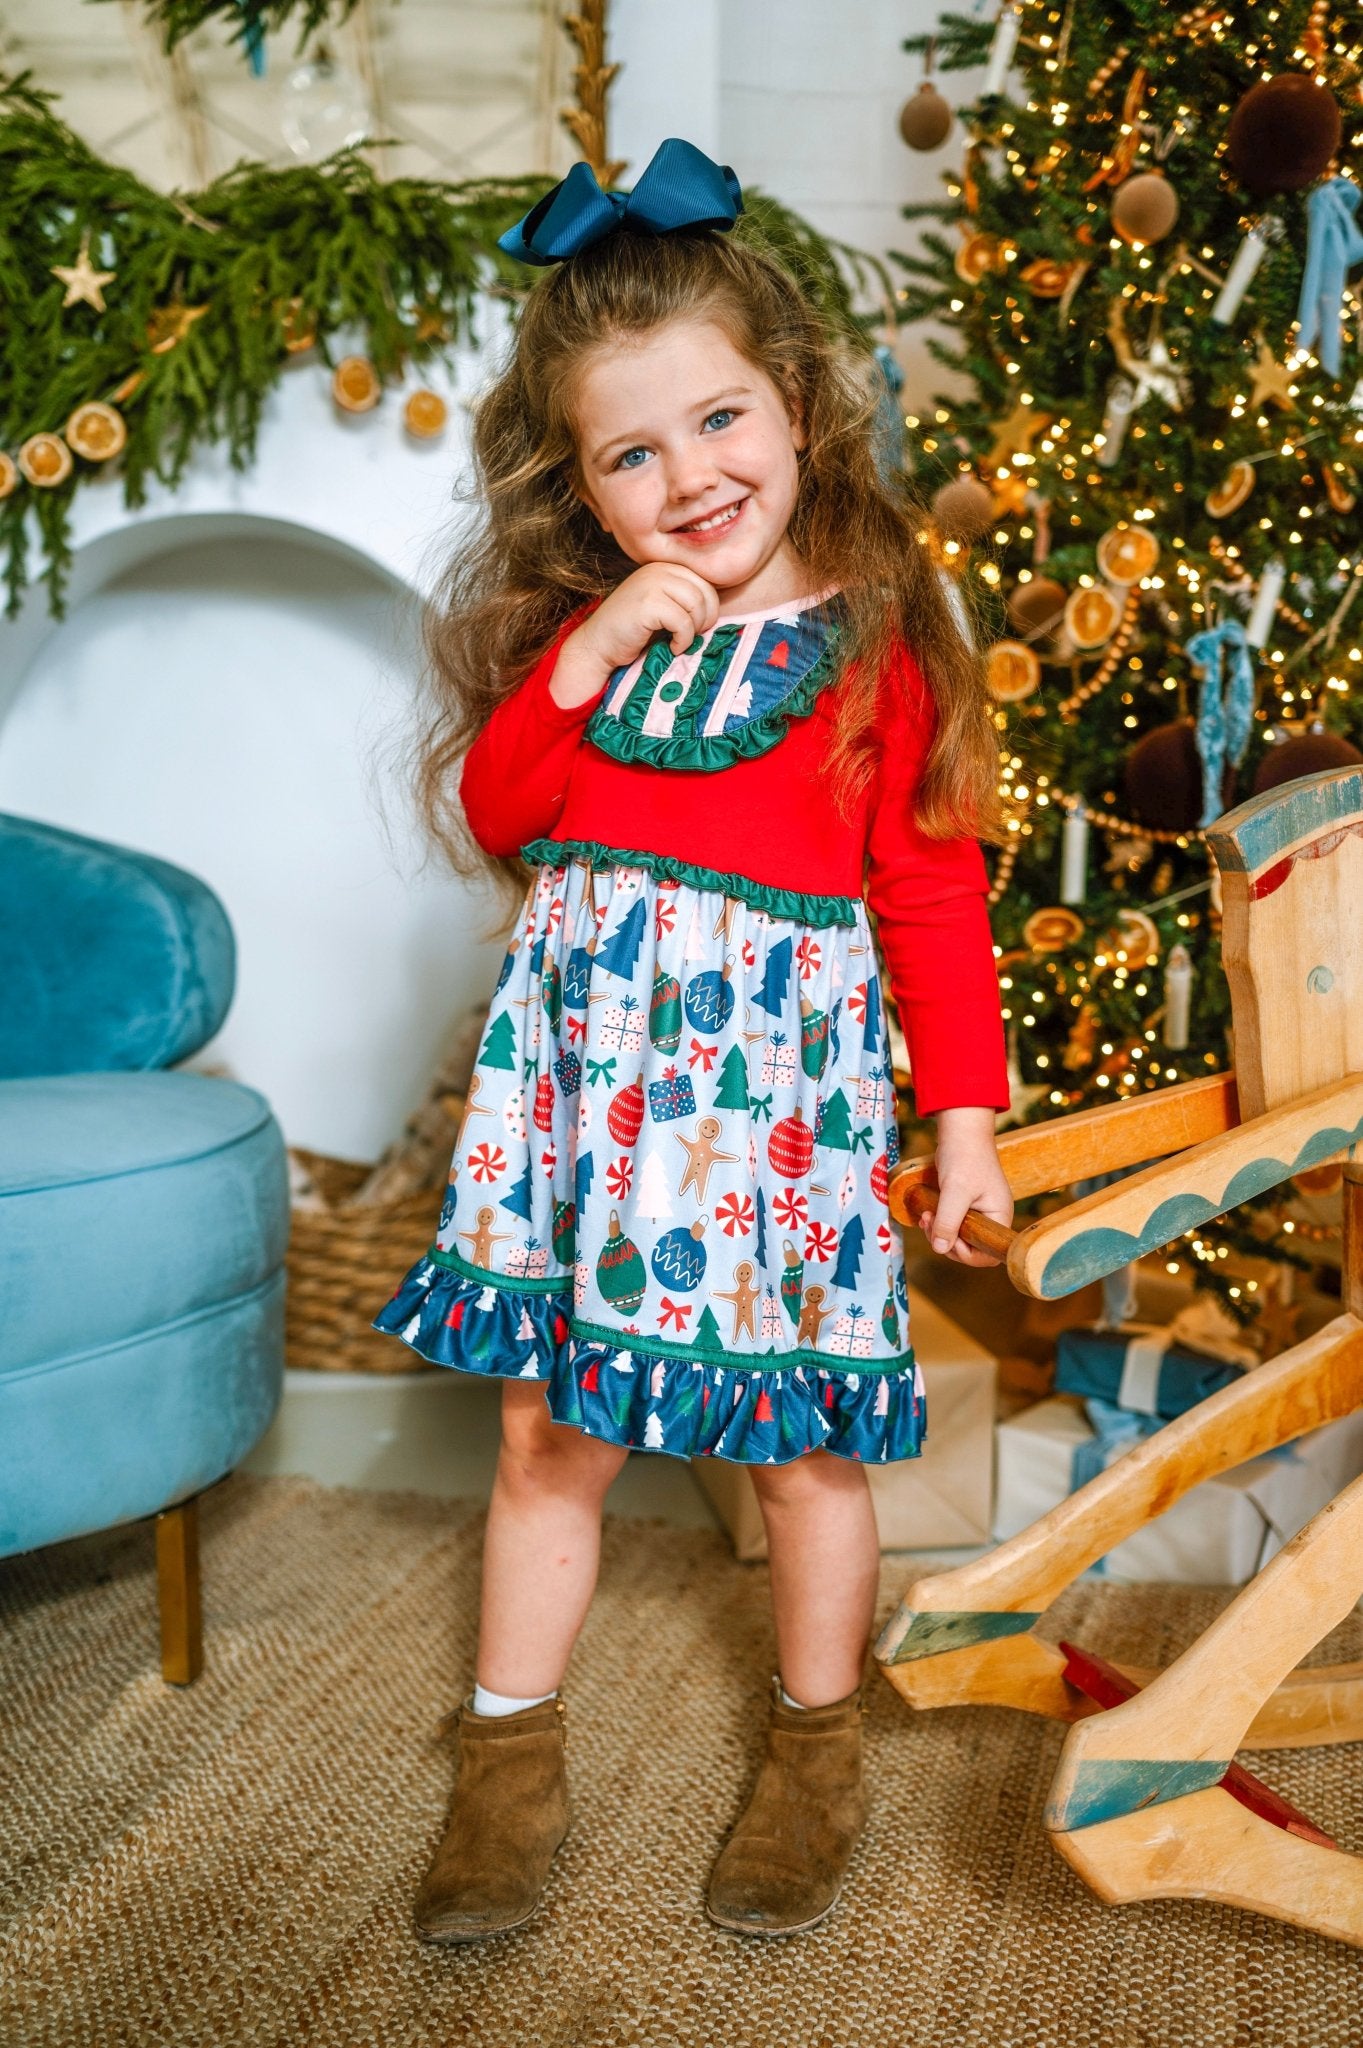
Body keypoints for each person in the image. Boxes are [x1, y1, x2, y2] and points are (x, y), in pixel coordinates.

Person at [373, 139, 1014, 1945]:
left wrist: (962, 1120)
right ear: (582, 484)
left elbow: (935, 892)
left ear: (798, 405)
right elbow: (507, 817)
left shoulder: (875, 637)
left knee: (801, 1450)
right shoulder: (593, 636)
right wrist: (580, 667)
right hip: (594, 1107)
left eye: (721, 421)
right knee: (544, 1437)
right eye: (630, 455)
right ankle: (506, 1754)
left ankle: (814, 1749)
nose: (689, 478)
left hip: (775, 1125)